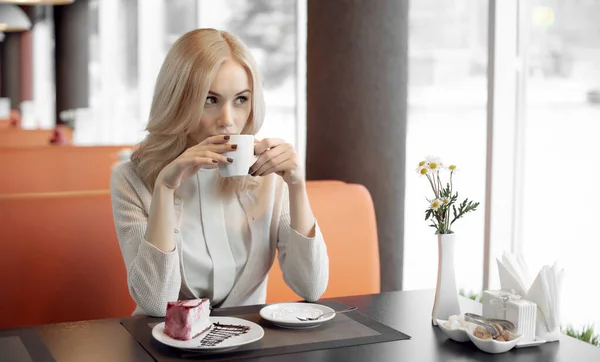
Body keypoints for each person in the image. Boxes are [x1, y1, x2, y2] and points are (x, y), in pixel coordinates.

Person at [110, 29, 329, 317]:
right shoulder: (131, 179)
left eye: (241, 100)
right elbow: (155, 302)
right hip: (162, 346)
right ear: (178, 100)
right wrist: (164, 188)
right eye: (210, 100)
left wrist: (297, 186)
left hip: (248, 344)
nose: (228, 121)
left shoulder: (268, 174)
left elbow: (311, 287)